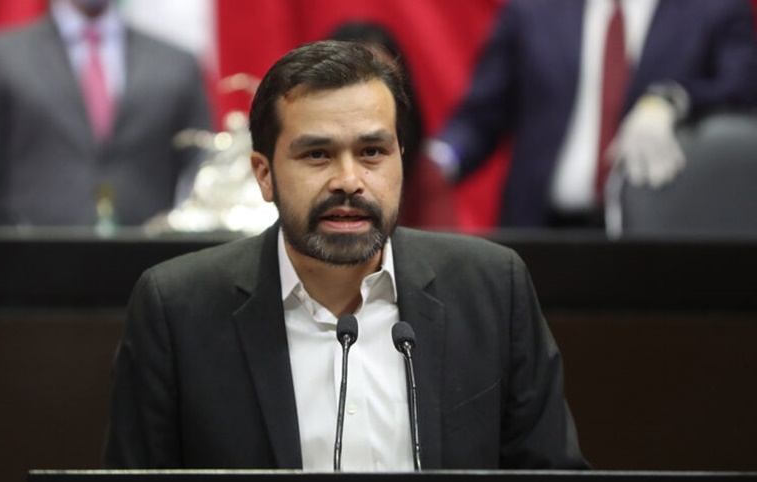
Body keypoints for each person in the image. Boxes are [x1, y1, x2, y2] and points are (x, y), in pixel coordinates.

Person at [102, 40, 587, 471]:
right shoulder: (177, 308)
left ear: (401, 159)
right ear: (264, 175)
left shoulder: (492, 289)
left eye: (373, 152)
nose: (350, 181)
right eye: (317, 155)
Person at [429, 0, 757, 228]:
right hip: (543, 230)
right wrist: (437, 161)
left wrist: (673, 98)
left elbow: (743, 86)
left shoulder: (714, 10)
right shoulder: (532, 11)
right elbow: (480, 116)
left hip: (657, 232)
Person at [0, 0, 212, 227]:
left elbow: (204, 172)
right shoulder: (0, 57)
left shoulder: (177, 63)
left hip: (150, 253)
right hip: (32, 255)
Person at [328, 21, 455, 229]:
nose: (350, 181)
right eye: (353, 84)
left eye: (387, 84)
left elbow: (441, 243)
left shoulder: (424, 171)